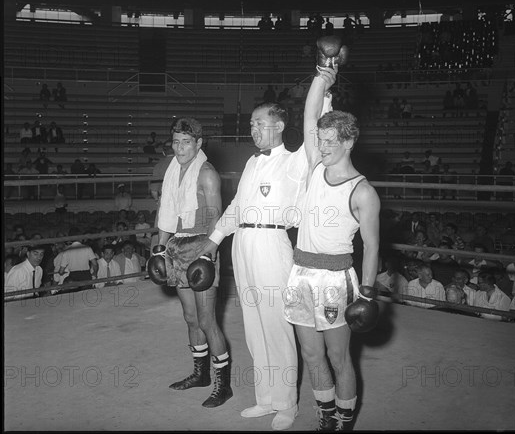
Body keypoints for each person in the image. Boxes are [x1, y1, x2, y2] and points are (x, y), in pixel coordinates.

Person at [196, 83, 334, 427]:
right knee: (254, 327)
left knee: (277, 327)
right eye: (252, 124)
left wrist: (325, 89)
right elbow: (236, 207)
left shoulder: (296, 161)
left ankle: (287, 404)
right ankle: (266, 398)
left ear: (280, 126)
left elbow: (317, 129)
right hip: (242, 245)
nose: (254, 129)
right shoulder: (252, 162)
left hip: (273, 246)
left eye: (261, 123)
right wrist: (212, 241)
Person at [282, 57, 380, 431]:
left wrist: (367, 294)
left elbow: (371, 247)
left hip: (336, 280)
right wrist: (321, 79)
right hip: (300, 273)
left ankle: (343, 419)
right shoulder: (314, 165)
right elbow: (309, 115)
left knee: (340, 358)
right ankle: (324, 415)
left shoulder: (363, 192)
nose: (320, 147)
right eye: (319, 141)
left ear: (349, 142)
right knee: (311, 353)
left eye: (328, 142)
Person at [155, 117, 232, 408]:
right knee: (190, 318)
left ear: (199, 143)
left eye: (186, 142)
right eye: (176, 141)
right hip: (176, 245)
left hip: (201, 244)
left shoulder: (207, 174)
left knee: (207, 319)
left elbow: (217, 217)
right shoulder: (172, 171)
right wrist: (159, 248)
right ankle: (200, 374)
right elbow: (166, 212)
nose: (180, 148)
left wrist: (208, 253)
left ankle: (222, 385)